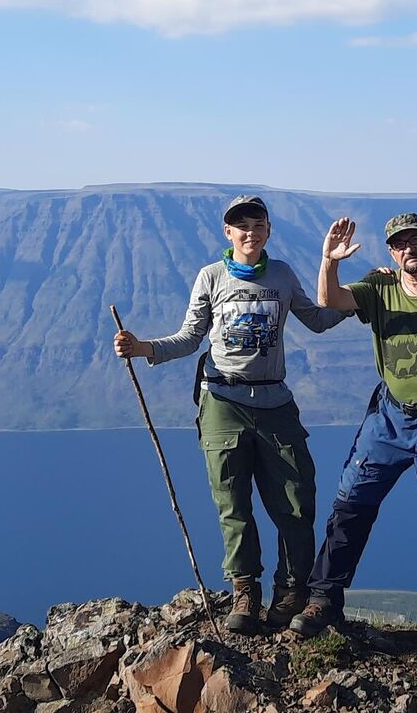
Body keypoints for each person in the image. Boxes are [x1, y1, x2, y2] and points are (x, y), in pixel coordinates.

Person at [113, 195, 347, 633]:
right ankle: (245, 590)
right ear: (228, 233)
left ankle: (291, 591)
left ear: (268, 230)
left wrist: (363, 297)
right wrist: (142, 347)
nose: (250, 232)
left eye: (258, 224)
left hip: (275, 403)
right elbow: (189, 338)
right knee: (232, 504)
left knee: (297, 503)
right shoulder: (211, 277)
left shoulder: (281, 275)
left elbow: (315, 319)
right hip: (223, 402)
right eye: (241, 226)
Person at [288, 212, 417, 666]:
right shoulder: (379, 288)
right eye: (400, 244)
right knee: (350, 509)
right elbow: (329, 300)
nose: (408, 250)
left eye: (416, 240)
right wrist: (329, 260)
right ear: (391, 252)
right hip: (390, 419)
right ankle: (323, 599)